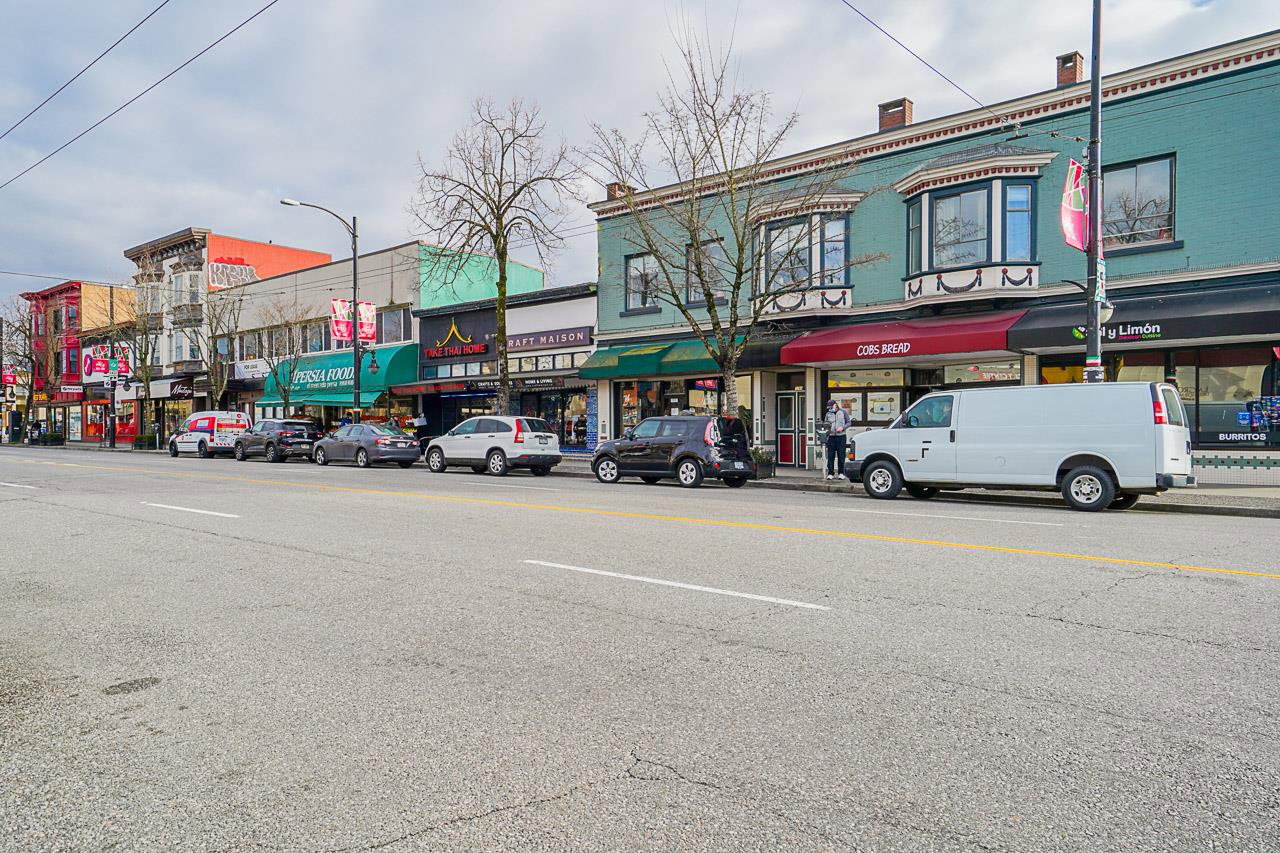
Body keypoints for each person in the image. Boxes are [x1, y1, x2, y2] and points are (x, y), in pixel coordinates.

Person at [823, 399, 851, 480]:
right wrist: (827, 430)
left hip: (841, 437)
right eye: (829, 407)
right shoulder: (828, 414)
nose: (830, 409)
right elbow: (825, 424)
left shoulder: (843, 412)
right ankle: (830, 473)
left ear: (835, 405)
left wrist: (843, 428)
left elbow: (849, 423)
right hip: (831, 437)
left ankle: (841, 473)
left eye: (831, 407)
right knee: (830, 456)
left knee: (841, 455)